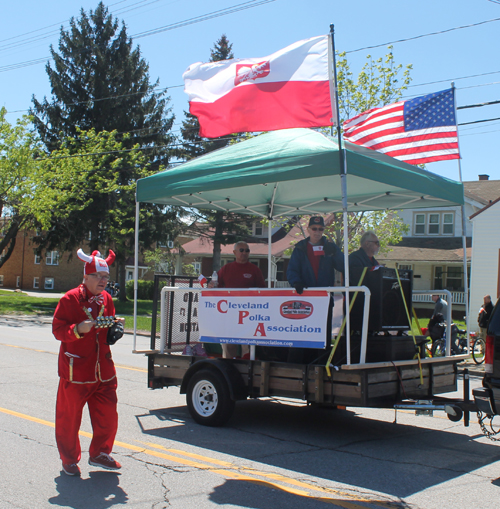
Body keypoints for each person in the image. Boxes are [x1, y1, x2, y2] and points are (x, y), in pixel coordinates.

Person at [52, 249, 125, 476]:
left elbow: (106, 329)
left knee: (108, 415)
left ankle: (100, 453)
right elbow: (58, 330)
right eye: (99, 276)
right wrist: (77, 329)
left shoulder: (107, 299)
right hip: (76, 371)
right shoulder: (70, 299)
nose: (104, 281)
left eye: (106, 277)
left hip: (103, 370)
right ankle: (69, 459)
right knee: (69, 419)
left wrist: (115, 330)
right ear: (86, 277)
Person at [286, 216, 344, 362]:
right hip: (305, 298)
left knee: (323, 333)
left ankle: (320, 365)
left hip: (324, 298)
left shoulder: (330, 247)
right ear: (308, 229)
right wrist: (296, 282)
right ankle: (301, 365)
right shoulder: (300, 248)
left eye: (320, 229)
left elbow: (343, 267)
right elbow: (292, 270)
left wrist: (335, 253)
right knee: (304, 331)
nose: (317, 232)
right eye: (314, 229)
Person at [208, 241, 266, 358]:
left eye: (247, 250)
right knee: (228, 343)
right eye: (241, 250)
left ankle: (248, 368)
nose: (244, 253)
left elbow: (263, 291)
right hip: (229, 312)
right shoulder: (226, 268)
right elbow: (215, 286)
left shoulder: (255, 270)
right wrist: (210, 285)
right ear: (234, 252)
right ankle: (228, 366)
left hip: (249, 313)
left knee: (247, 345)